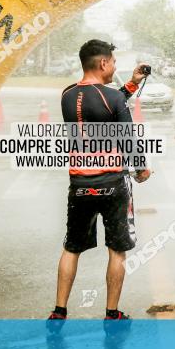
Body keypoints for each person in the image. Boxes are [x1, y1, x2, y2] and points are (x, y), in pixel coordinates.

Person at [48, 40, 152, 321]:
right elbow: (126, 136)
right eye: (114, 62)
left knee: (71, 248)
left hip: (79, 185)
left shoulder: (67, 95)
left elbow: (98, 106)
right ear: (104, 63)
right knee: (117, 251)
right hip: (112, 184)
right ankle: (111, 313)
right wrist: (142, 168)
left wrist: (131, 84)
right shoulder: (112, 99)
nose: (115, 66)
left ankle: (59, 311)